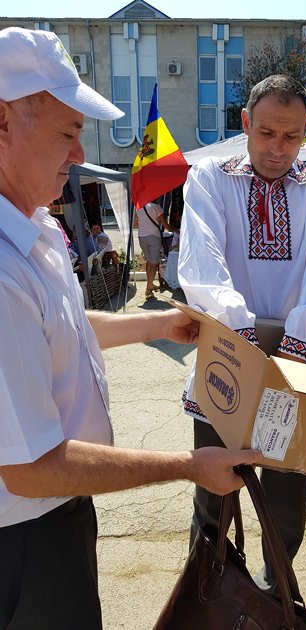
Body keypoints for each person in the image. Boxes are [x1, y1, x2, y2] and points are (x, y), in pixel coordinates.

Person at [0, 26, 260, 629]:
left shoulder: (32, 226)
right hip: (25, 531)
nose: (77, 154)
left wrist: (158, 326)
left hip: (57, 511)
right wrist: (188, 465)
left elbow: (61, 327)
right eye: (68, 133)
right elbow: (31, 467)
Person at [178, 74, 306, 592]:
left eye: (292, 136)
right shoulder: (210, 178)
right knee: (214, 491)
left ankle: (277, 595)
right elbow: (203, 263)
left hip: (298, 362)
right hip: (229, 358)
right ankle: (206, 593)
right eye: (267, 133)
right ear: (245, 124)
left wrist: (298, 349)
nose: (278, 148)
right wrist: (242, 346)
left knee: (286, 497)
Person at [135, 198, 173, 298]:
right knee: (154, 263)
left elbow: (135, 224)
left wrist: (144, 224)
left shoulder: (138, 207)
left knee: (149, 261)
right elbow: (166, 226)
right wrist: (176, 231)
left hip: (141, 237)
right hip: (154, 237)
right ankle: (148, 289)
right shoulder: (157, 207)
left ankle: (150, 284)